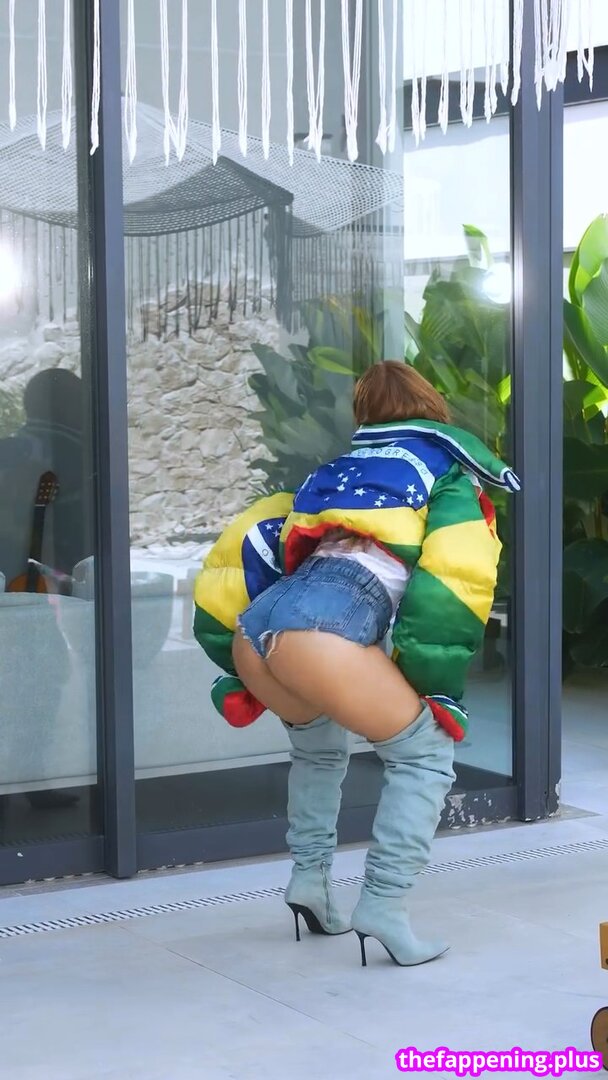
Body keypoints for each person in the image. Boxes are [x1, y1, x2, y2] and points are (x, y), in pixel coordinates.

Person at [193, 362, 520, 967]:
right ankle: (385, 906)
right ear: (433, 408)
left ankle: (310, 882)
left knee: (318, 748)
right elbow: (451, 588)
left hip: (255, 628)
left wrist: (230, 657)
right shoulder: (445, 474)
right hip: (323, 632)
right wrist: (438, 689)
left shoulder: (335, 474)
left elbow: (247, 541)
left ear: (364, 416)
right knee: (423, 754)